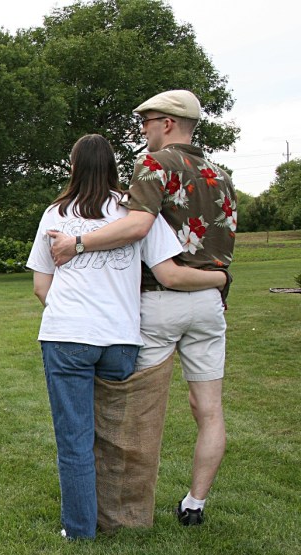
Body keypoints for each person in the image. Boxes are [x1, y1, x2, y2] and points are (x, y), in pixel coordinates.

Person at [49, 91, 236, 526]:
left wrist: (77, 243)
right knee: (208, 409)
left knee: (131, 412)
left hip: (160, 301)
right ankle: (194, 504)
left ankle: (124, 510)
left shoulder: (154, 165)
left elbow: (138, 225)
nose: (142, 130)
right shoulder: (221, 176)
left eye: (146, 121)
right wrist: (220, 280)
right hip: (210, 302)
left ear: (167, 123)